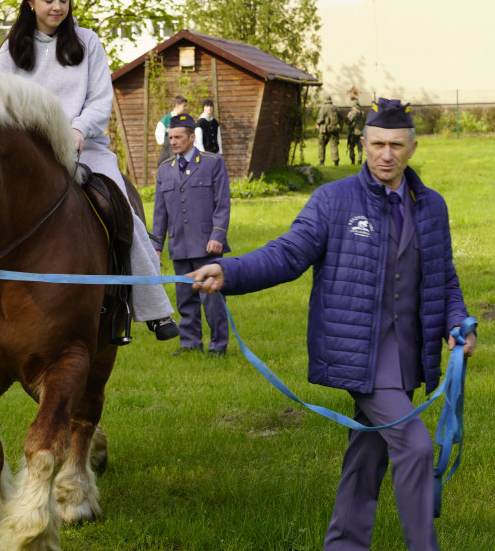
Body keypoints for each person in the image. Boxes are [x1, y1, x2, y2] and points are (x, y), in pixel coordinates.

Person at [189, 97, 477, 550]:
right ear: (363, 143)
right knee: (416, 447)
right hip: (359, 350)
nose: (387, 154)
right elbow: (287, 254)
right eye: (378, 143)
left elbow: (444, 277)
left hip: (407, 355)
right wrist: (231, 272)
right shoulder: (333, 200)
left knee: (368, 453)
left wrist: (459, 322)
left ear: (413, 148)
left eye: (396, 145)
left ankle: (343, 544)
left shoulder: (432, 207)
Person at [0, 0, 178, 341]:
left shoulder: (88, 42)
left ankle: (152, 307)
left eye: (63, 0)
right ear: (30, 1)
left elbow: (99, 100)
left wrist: (77, 129)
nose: (57, 8)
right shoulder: (9, 51)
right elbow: (2, 106)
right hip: (28, 154)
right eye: (48, 0)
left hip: (85, 148)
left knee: (122, 209)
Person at [151, 113, 231, 356]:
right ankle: (190, 344)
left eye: (177, 137)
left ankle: (218, 346)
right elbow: (159, 211)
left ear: (191, 137)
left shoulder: (212, 163)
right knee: (185, 297)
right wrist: (156, 246)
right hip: (179, 243)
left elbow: (222, 203)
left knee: (212, 299)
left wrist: (217, 235)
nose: (172, 142)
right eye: (170, 137)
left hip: (208, 244)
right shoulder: (165, 169)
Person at [155, 96, 188, 167]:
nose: (186, 108)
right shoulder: (165, 120)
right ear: (177, 105)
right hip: (168, 151)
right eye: (184, 106)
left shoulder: (184, 120)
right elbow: (160, 138)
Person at [315, 95, 342, 166]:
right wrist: (340, 127)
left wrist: (317, 124)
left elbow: (321, 118)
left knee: (321, 145)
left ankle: (321, 162)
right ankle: (336, 162)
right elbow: (341, 118)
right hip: (334, 129)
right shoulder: (335, 108)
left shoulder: (323, 108)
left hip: (324, 130)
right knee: (334, 145)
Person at [346, 87, 366, 166]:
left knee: (351, 147)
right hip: (361, 132)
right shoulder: (363, 113)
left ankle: (353, 161)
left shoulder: (353, 113)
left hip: (354, 132)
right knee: (360, 148)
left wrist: (348, 116)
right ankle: (359, 161)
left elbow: (348, 122)